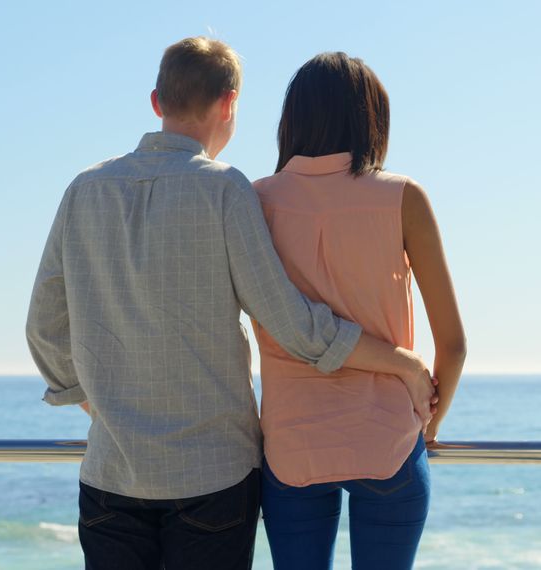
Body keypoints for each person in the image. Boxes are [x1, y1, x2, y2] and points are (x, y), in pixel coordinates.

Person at [25, 38, 438, 570]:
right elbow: (290, 322)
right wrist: (400, 362)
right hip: (213, 477)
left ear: (157, 101)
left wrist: (91, 402)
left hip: (112, 472)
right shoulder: (224, 189)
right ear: (230, 103)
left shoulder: (83, 189)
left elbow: (44, 327)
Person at [252, 52, 467, 570]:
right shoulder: (402, 197)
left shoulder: (254, 201)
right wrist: (429, 423)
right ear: (372, 118)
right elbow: (454, 345)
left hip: (291, 446)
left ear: (291, 121)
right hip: (388, 441)